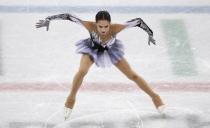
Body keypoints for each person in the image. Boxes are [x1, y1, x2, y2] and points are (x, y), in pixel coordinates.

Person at [36, 10, 165, 120]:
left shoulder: (116, 28)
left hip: (111, 50)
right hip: (92, 49)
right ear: (95, 24)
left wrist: (150, 33)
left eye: (106, 26)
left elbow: (138, 21)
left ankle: (155, 96)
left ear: (110, 24)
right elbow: (69, 16)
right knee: (82, 71)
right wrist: (49, 19)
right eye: (100, 26)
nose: (103, 29)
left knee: (133, 75)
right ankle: (71, 99)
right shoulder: (89, 26)